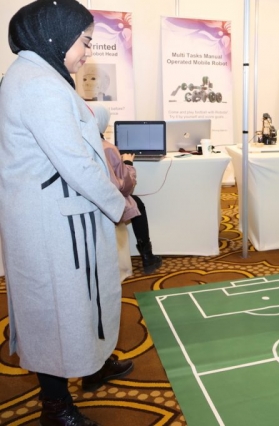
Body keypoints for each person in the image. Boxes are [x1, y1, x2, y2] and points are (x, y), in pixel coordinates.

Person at [0, 1, 132, 425]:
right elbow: (75, 162)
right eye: (85, 42)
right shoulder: (39, 84)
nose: (87, 52)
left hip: (57, 214)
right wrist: (120, 205)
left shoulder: (39, 73)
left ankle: (92, 364)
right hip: (51, 223)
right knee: (55, 310)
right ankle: (55, 406)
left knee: (79, 301)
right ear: (55, 34)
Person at [92, 105, 162, 274]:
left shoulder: (80, 144)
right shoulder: (108, 148)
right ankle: (147, 256)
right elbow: (125, 187)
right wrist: (128, 163)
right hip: (107, 201)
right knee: (137, 203)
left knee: (135, 202)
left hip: (91, 198)